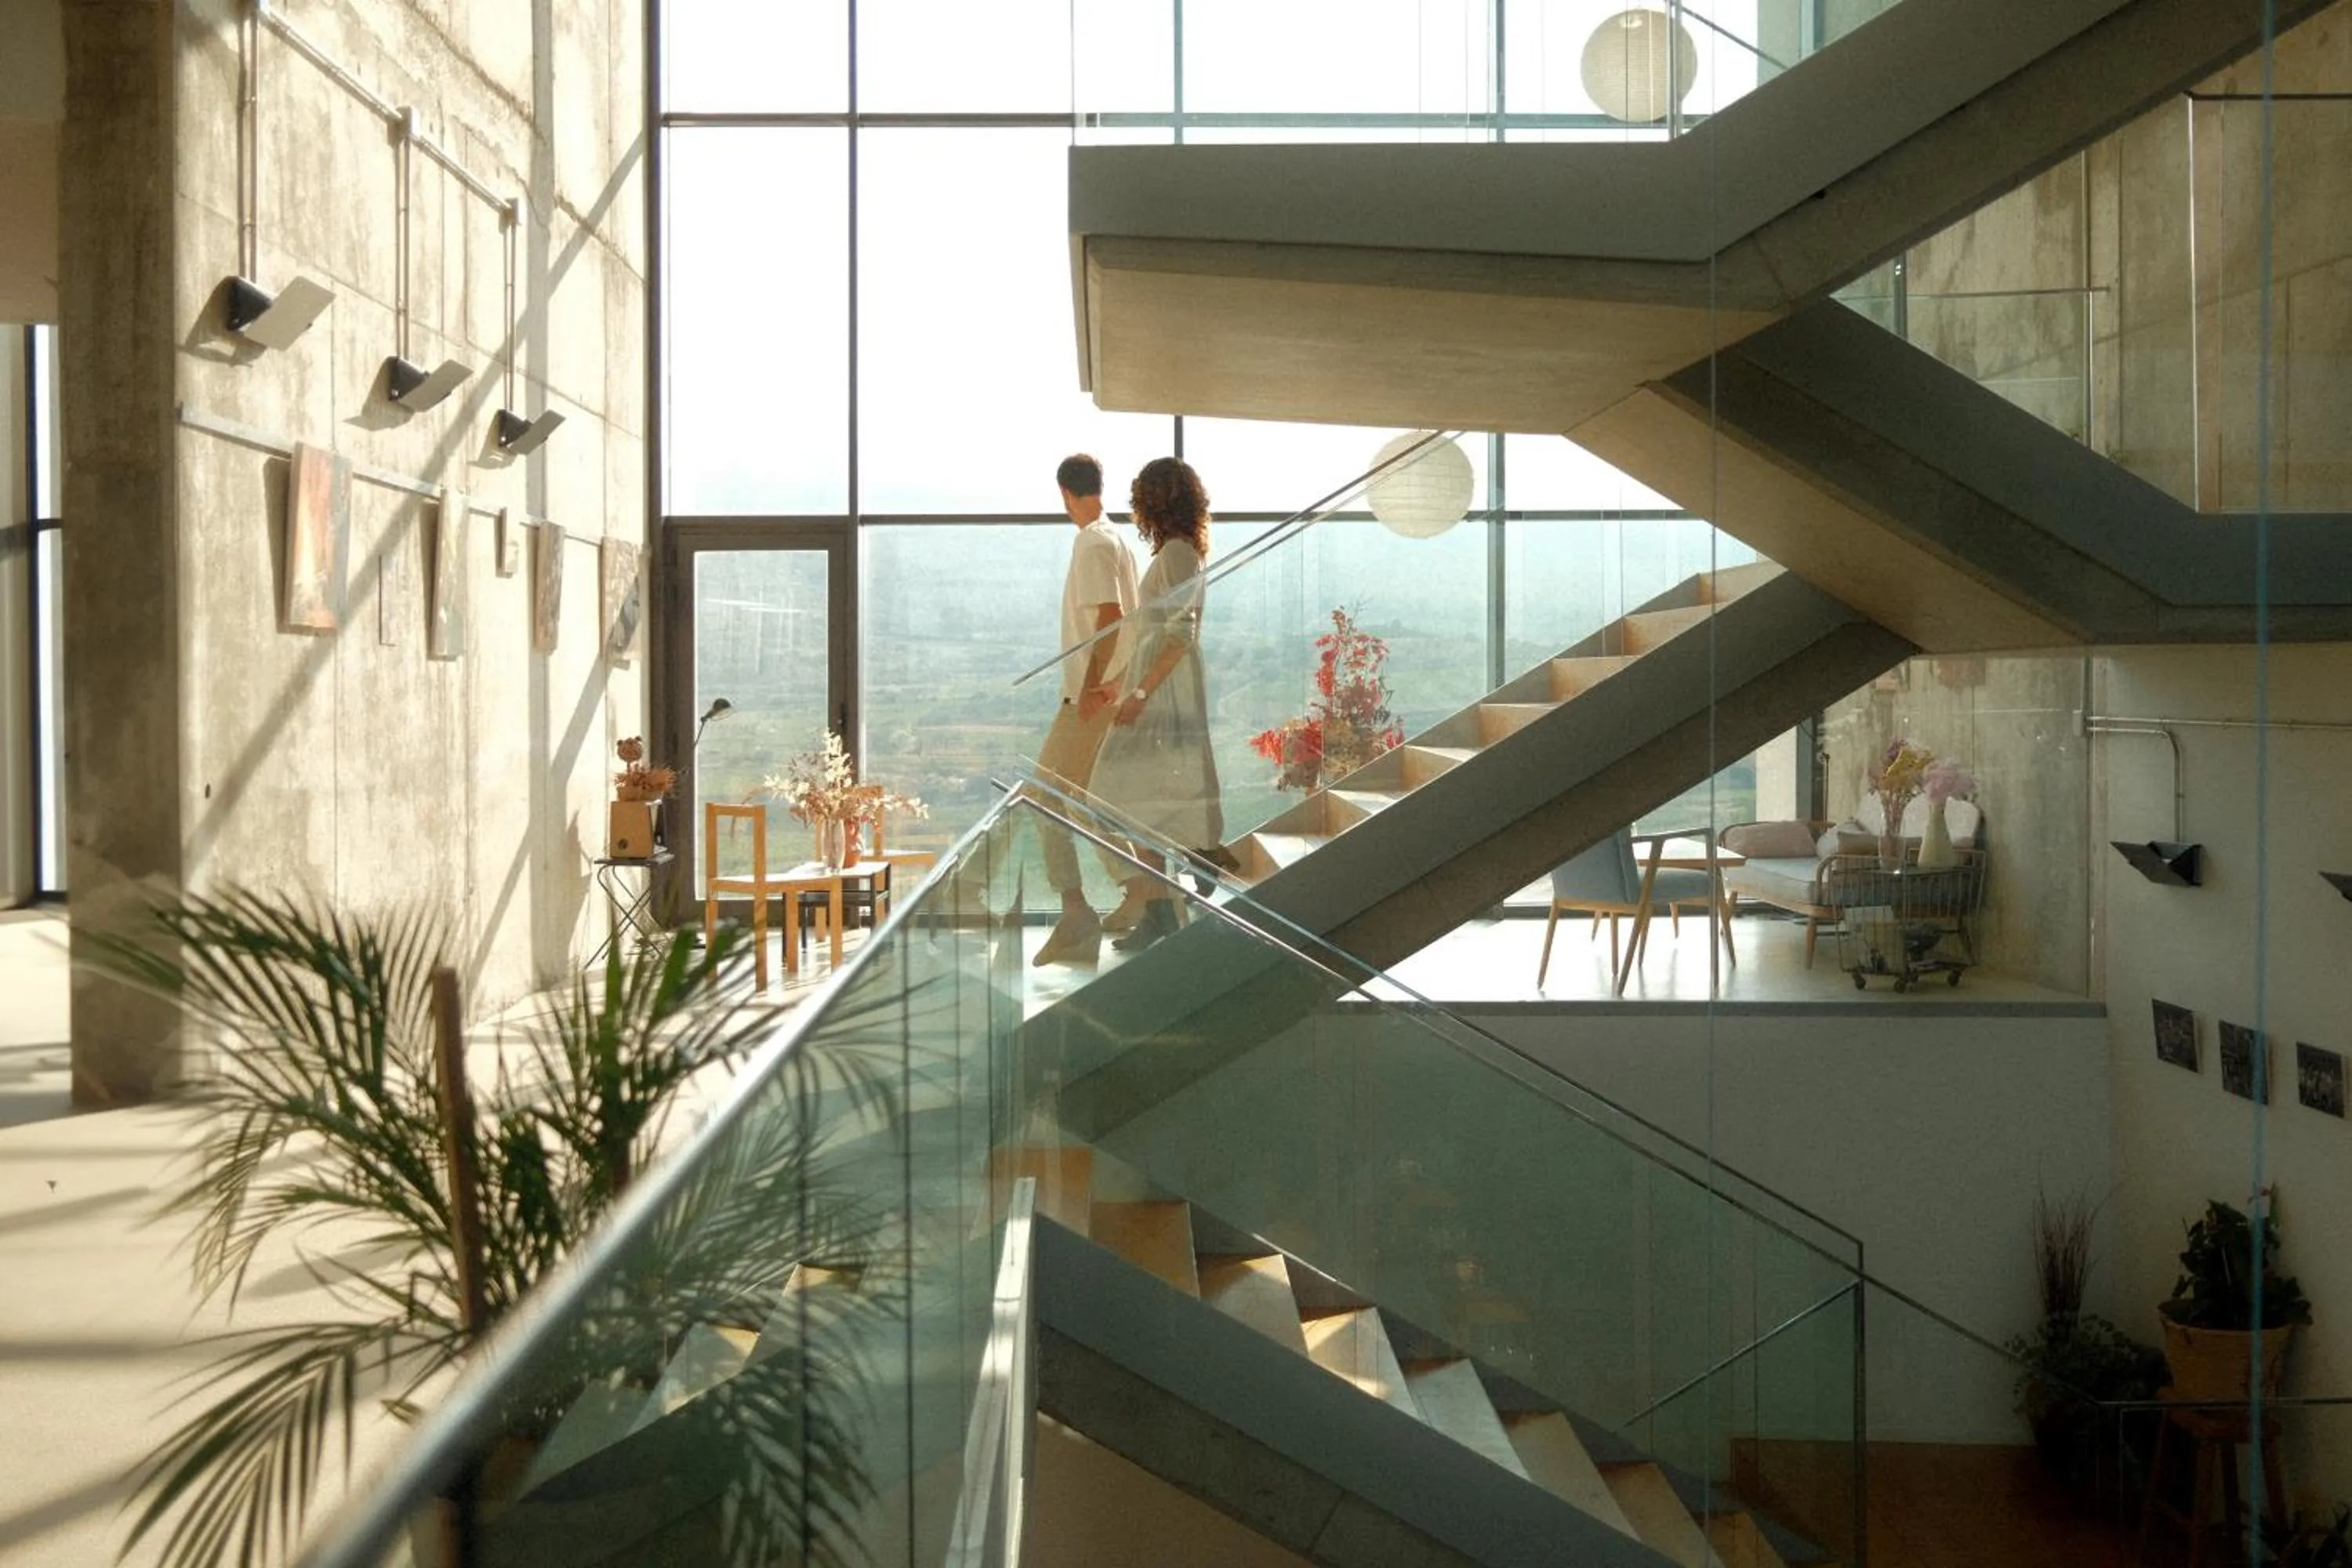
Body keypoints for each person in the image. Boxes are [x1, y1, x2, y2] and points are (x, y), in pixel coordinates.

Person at [1089, 456, 1225, 952]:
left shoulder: (1176, 554)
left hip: (1164, 690)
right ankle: (1164, 904)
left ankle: (1188, 868)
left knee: (1109, 795)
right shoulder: (1178, 552)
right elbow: (1156, 635)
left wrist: (1140, 694)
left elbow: (1179, 636)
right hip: (1156, 684)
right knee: (1140, 802)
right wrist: (1122, 683)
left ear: (1154, 502)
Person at [1030, 453, 1143, 967]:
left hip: (1090, 697)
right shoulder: (1115, 539)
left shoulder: (1093, 540)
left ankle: (1079, 910)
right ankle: (1136, 887)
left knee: (1042, 795)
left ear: (1064, 493)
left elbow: (1113, 617)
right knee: (1081, 798)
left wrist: (1095, 684)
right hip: (1103, 692)